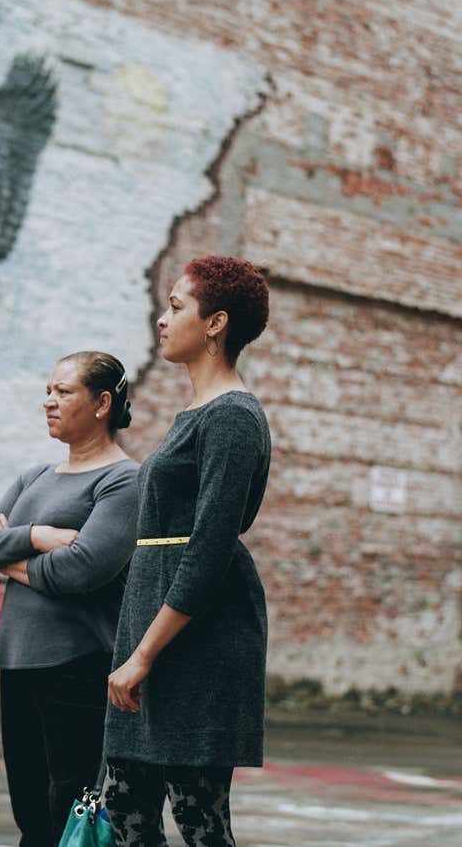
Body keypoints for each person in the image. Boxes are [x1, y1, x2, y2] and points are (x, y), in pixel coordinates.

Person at [102, 257, 272, 847]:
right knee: (126, 811)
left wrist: (144, 654)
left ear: (216, 323)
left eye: (176, 307)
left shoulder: (233, 418)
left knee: (198, 819)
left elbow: (209, 549)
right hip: (152, 629)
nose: (162, 318)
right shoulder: (197, 414)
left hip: (197, 641)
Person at [0, 351, 141, 847]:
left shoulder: (124, 480)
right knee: (30, 815)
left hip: (78, 666)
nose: (48, 402)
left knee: (72, 812)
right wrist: (37, 535)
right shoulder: (34, 477)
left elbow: (81, 569)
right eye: (48, 391)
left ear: (102, 403)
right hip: (18, 664)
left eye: (63, 392)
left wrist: (7, 557)